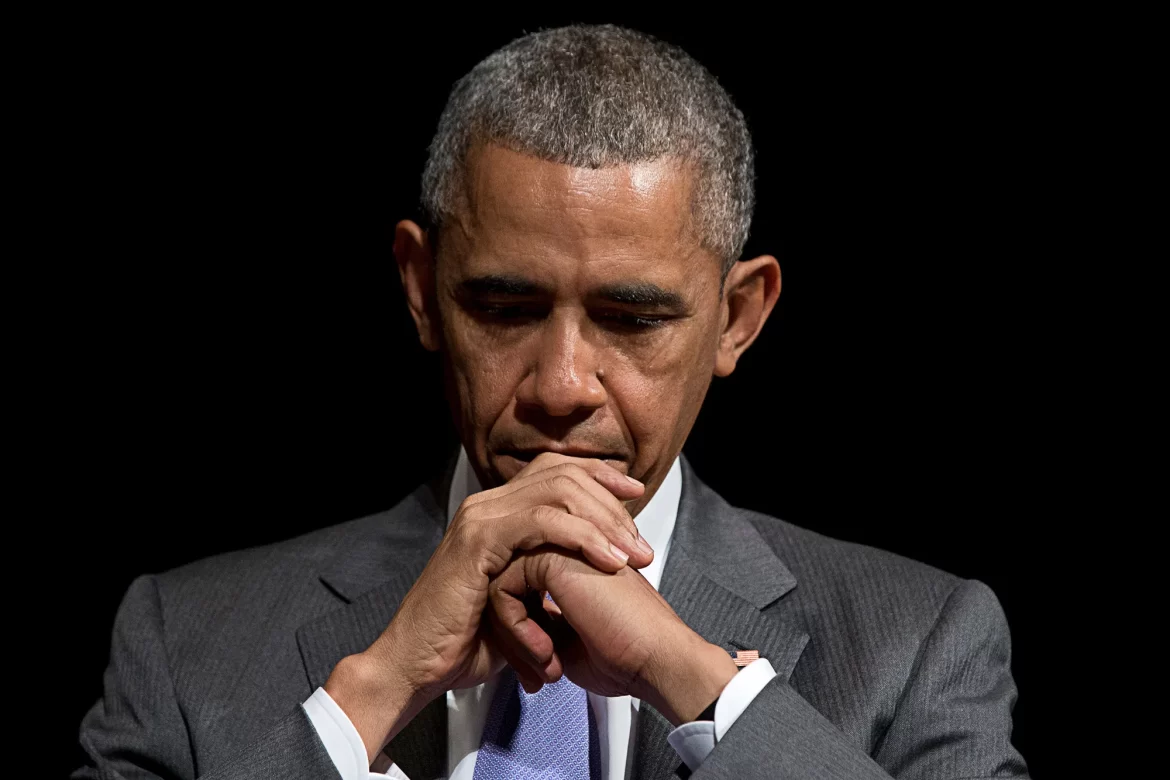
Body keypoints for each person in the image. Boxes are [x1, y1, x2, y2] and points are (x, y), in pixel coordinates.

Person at [75, 24, 1028, 780]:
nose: (562, 385)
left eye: (632, 319)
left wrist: (699, 685)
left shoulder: (917, 644)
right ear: (421, 288)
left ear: (738, 318)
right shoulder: (183, 640)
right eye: (502, 307)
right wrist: (369, 693)